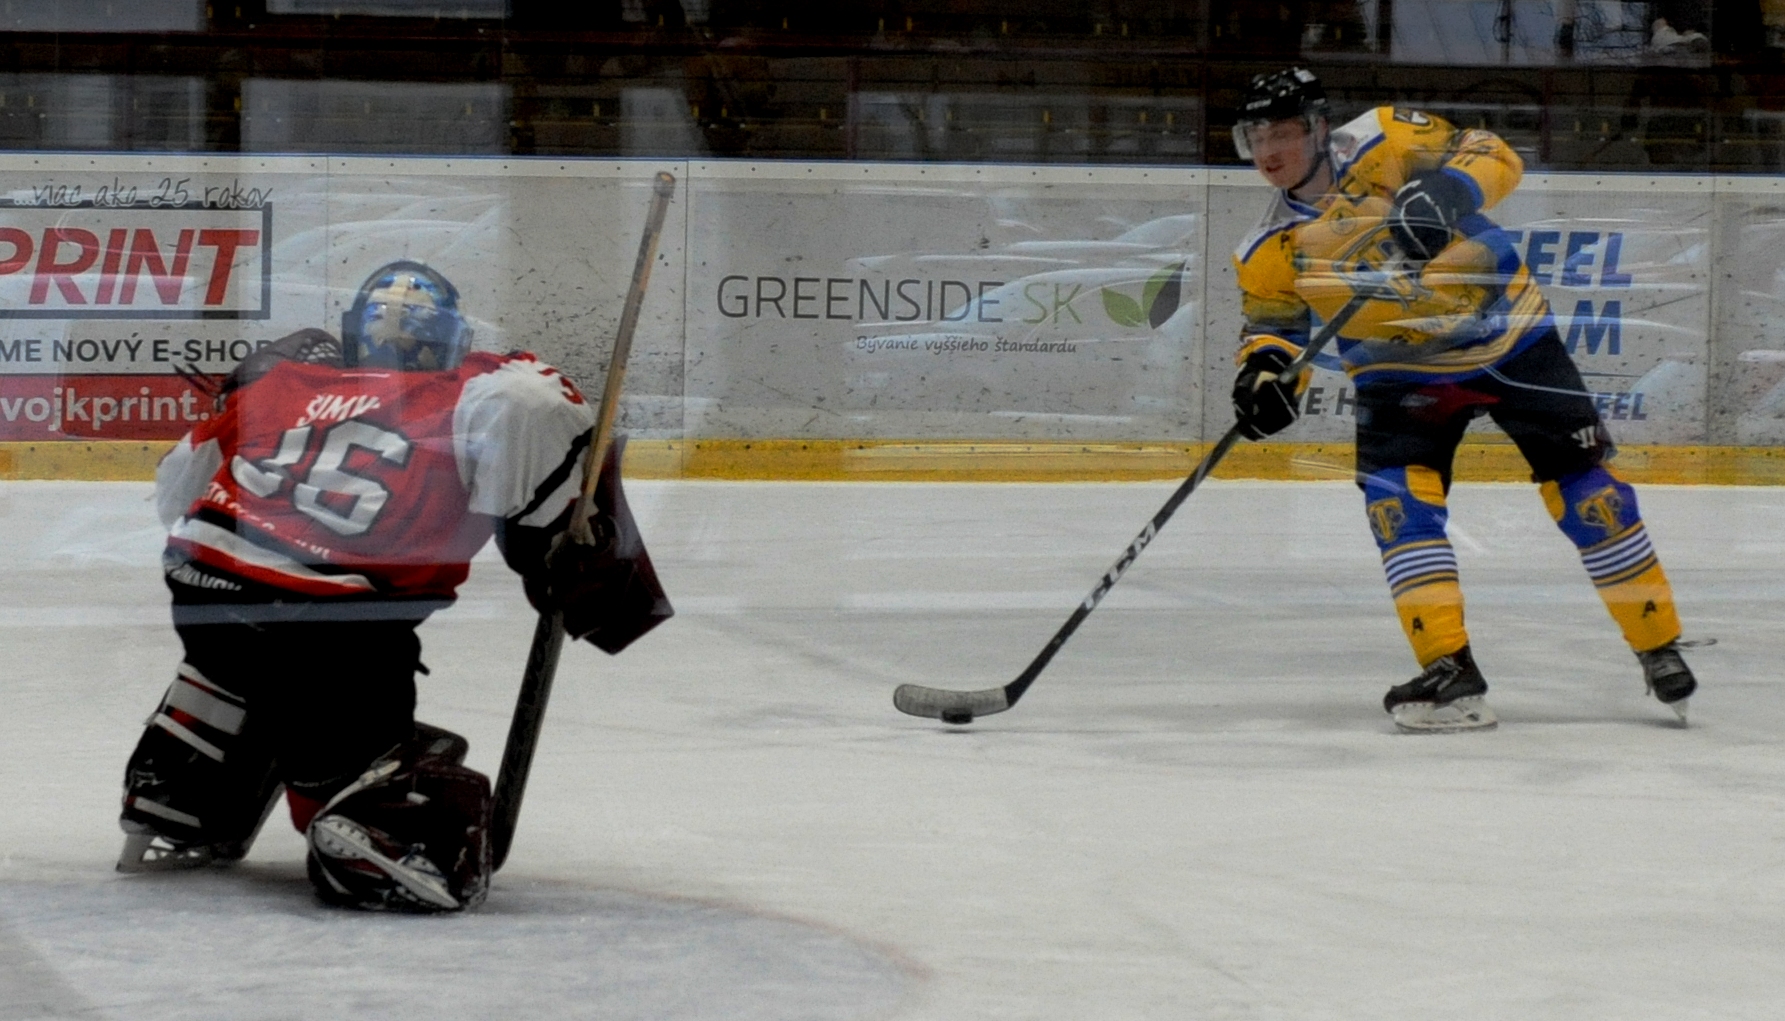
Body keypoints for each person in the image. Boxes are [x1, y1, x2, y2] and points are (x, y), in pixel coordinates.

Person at [117, 261, 671, 910]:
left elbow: (174, 497)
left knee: (248, 658)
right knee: (400, 803)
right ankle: (367, 821)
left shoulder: (279, 380)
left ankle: (180, 776)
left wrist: (238, 402)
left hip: (204, 598)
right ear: (452, 337)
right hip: (330, 636)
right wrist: (577, 558)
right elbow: (540, 420)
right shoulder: (482, 389)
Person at [1227, 67, 1697, 732]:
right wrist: (1265, 377)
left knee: (1590, 493)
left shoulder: (1386, 137)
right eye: (1255, 137)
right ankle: (1449, 668)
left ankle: (1657, 645)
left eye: (1281, 133)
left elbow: (1493, 153)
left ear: (1318, 127)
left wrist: (1448, 187)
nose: (1268, 151)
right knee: (1398, 505)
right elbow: (1273, 329)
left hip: (1510, 336)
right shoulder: (1266, 247)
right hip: (1397, 374)